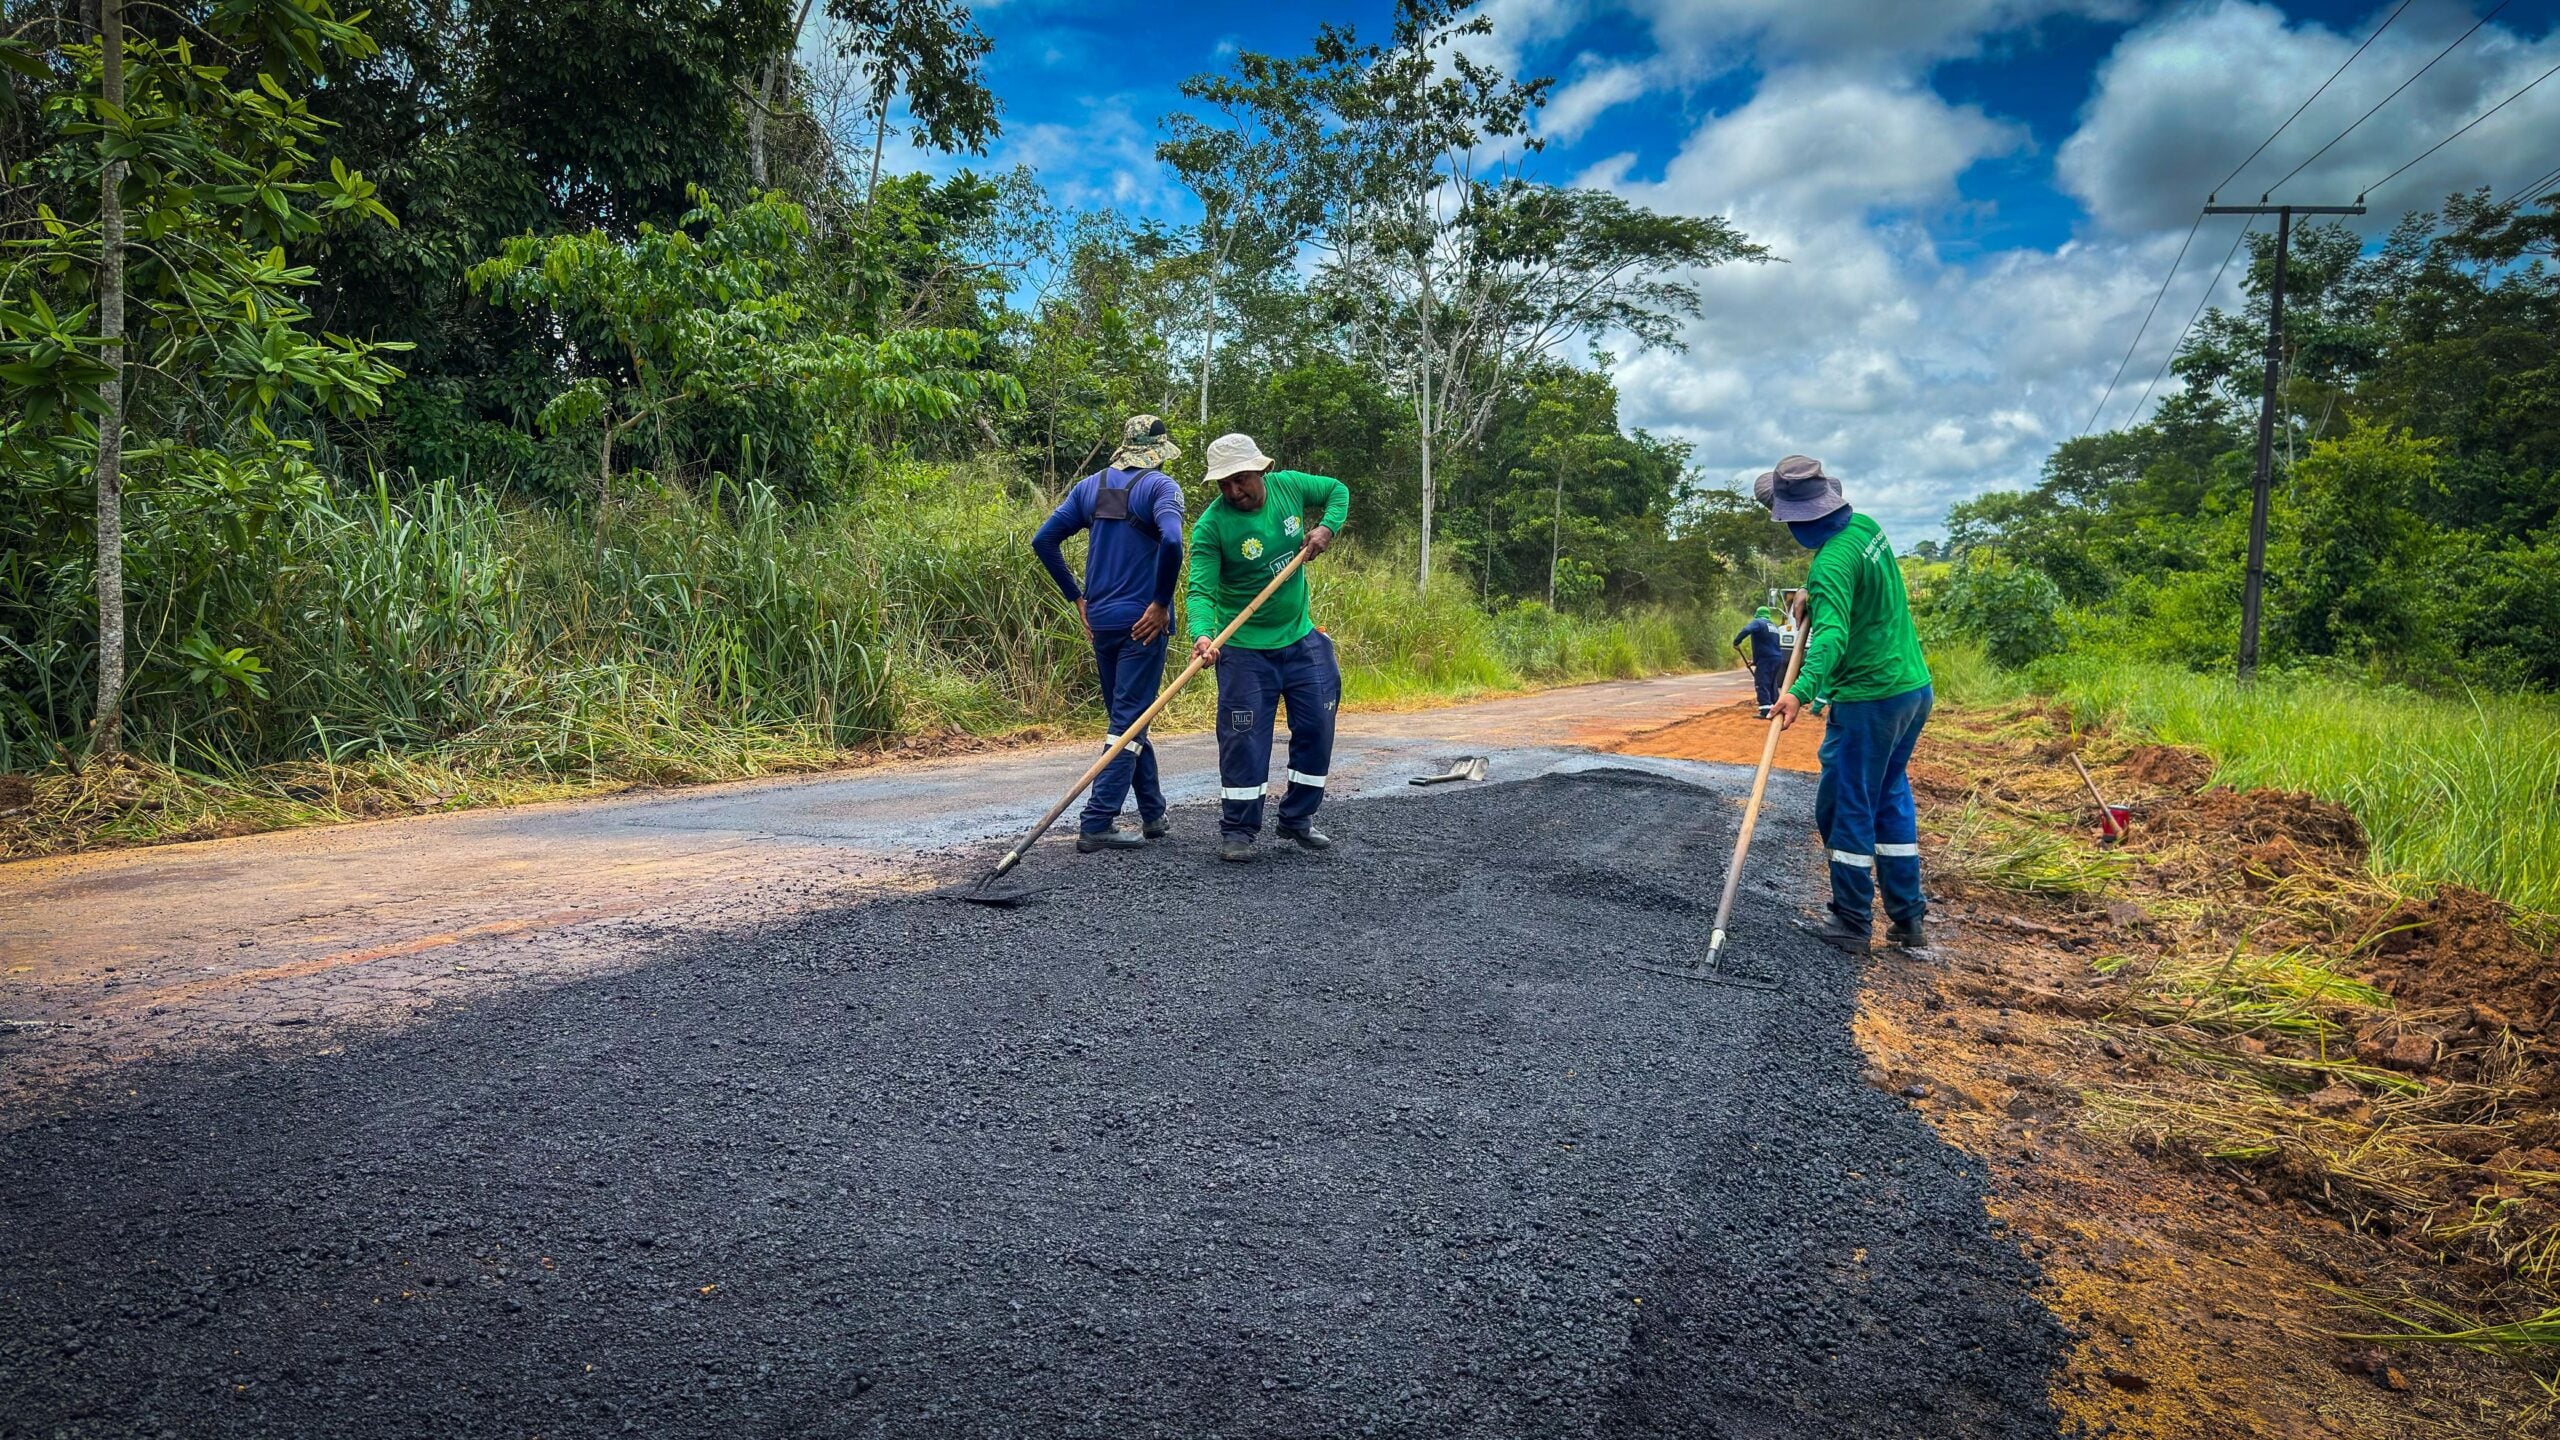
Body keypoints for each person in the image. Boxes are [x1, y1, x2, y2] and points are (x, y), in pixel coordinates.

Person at [1758, 455, 1934, 955]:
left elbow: (1832, 636)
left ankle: (1852, 920)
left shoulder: (1830, 562)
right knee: (1888, 794)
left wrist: (1798, 690)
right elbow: (1855, 599)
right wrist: (1814, 596)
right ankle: (1908, 919)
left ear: (1798, 520)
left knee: (1846, 801)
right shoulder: (1865, 529)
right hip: (1911, 690)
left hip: (1871, 698)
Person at [1184, 433, 1349, 864]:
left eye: (1240, 480)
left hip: (1300, 638)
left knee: (1317, 726)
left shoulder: (1289, 486)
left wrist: (1326, 527)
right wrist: (1203, 635)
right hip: (1242, 650)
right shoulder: (1211, 527)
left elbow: (1337, 491)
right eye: (1224, 484)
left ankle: (1297, 819)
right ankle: (1238, 829)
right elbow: (1199, 592)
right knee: (1243, 738)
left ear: (1259, 470)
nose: (1234, 491)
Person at [1031, 415, 1188, 852]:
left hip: (1101, 620)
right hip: (1142, 622)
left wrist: (1076, 597)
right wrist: (1160, 602)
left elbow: (1043, 540)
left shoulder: (1090, 487)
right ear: (1157, 452)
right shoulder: (1161, 488)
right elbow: (1173, 543)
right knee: (1128, 721)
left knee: (1130, 717)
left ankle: (1153, 813)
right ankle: (1097, 820)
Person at [1732, 605, 1786, 718]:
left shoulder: (1758, 622)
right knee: (1772, 683)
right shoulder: (1774, 626)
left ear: (1757, 614)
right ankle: (1775, 707)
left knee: (1761, 682)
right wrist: (1755, 661)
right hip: (1777, 658)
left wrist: (1737, 642)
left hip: (1766, 659)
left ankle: (1765, 709)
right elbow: (1768, 645)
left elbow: (1746, 630)